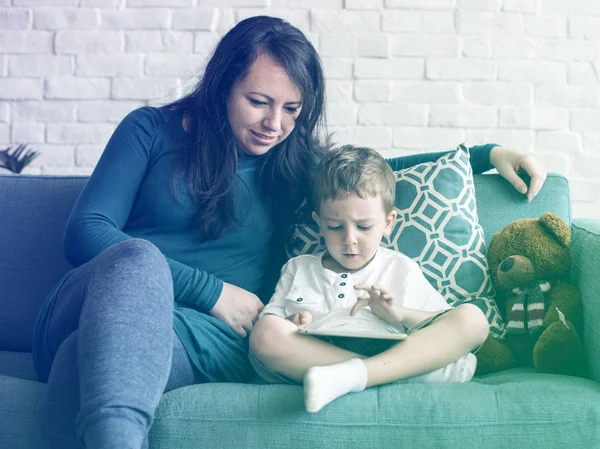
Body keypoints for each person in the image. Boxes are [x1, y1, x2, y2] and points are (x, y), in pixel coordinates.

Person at [30, 15, 546, 449]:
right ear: (221, 86)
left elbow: (371, 173)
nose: (274, 124)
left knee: (84, 361)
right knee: (139, 261)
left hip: (199, 341)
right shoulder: (149, 130)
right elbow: (86, 233)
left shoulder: (293, 163)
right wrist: (211, 292)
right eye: (258, 101)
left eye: (292, 110)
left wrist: (485, 155)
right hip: (102, 298)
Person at [249, 145, 485, 413]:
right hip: (316, 356)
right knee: (265, 334)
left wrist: (399, 314)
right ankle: (377, 377)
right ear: (318, 222)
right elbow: (270, 326)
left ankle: (351, 377)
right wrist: (291, 323)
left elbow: (440, 325)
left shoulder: (400, 268)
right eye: (335, 227)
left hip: (389, 354)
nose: (349, 239)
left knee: (473, 319)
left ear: (388, 222)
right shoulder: (298, 268)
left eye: (363, 227)